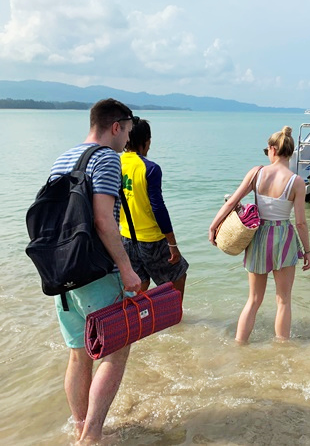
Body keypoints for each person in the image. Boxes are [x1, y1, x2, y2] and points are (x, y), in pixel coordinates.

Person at [48, 98, 142, 443]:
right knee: (116, 352)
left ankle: (79, 427)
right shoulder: (106, 159)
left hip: (62, 272)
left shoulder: (63, 158)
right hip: (96, 271)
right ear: (115, 126)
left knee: (79, 354)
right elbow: (104, 219)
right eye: (128, 132)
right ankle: (92, 436)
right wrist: (126, 268)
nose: (128, 140)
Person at [208, 126, 310, 343]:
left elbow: (232, 201)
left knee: (254, 300)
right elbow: (301, 223)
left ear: (273, 149)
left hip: (259, 237)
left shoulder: (256, 173)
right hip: (284, 237)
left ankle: (239, 345)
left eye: (267, 151)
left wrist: (213, 226)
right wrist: (308, 251)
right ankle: (282, 349)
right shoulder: (297, 182)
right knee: (283, 301)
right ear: (290, 152)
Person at [120, 119, 189, 300]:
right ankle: (173, 319)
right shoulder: (150, 168)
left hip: (125, 237)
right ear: (147, 141)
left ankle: (139, 320)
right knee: (178, 276)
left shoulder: (115, 163)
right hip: (151, 239)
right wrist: (172, 244)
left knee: (140, 282)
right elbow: (158, 207)